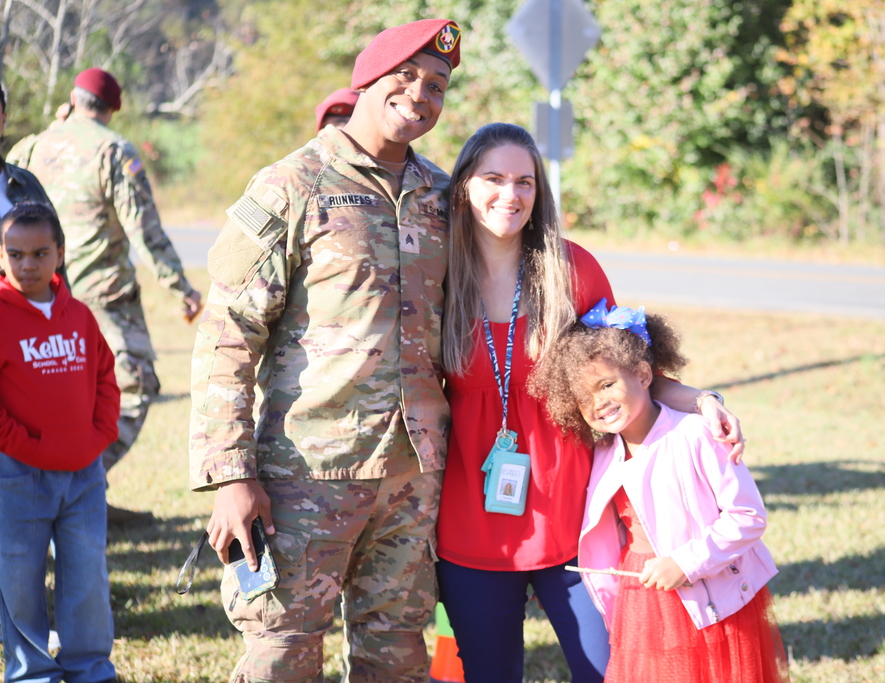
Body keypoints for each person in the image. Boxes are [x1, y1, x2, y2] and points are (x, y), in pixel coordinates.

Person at [189, 19, 461, 682]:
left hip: (412, 479)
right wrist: (230, 474)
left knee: (397, 653)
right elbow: (227, 335)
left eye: (437, 85)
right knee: (281, 650)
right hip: (304, 475)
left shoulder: (442, 197)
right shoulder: (291, 186)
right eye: (407, 77)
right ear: (366, 80)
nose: (420, 95)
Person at [434, 122, 746, 682]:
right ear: (462, 186)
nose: (511, 195)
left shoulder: (570, 269)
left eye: (525, 182)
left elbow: (630, 378)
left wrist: (703, 401)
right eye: (494, 178)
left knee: (610, 671)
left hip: (578, 519)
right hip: (469, 523)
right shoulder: (436, 273)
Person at [530, 304, 789, 683]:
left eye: (606, 385)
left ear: (643, 374)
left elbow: (748, 517)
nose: (598, 402)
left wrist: (684, 563)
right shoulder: (603, 454)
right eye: (585, 398)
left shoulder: (695, 434)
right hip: (642, 590)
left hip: (708, 590)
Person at [8, 67, 202, 527]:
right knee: (135, 384)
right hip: (101, 296)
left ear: (73, 101)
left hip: (37, 296)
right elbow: (144, 229)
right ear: (112, 108)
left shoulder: (30, 146)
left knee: (49, 396)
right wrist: (182, 287)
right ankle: (80, 483)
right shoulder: (113, 149)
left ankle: (74, 487)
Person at [0, 202, 120, 683]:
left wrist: (100, 434)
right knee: (19, 581)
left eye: (39, 253)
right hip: (18, 475)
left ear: (60, 254)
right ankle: (32, 674)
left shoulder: (80, 316)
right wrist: (27, 448)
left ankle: (91, 668)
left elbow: (105, 377)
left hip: (84, 474)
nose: (27, 264)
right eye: (15, 254)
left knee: (87, 576)